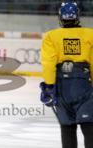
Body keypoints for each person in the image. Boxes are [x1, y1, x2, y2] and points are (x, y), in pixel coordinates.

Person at [40, 2, 93, 148]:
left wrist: (49, 87)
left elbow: (48, 63)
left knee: (67, 127)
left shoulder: (51, 36)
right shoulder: (90, 35)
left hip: (62, 86)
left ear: (60, 17)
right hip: (84, 85)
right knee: (89, 126)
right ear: (78, 16)